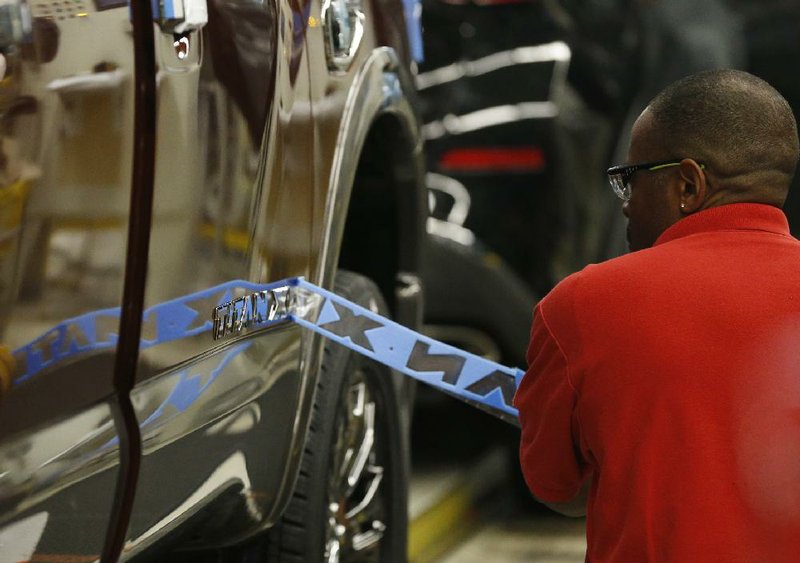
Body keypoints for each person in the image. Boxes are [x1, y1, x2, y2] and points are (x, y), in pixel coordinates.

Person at [513, 69, 800, 562]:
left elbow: (555, 487)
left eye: (630, 179)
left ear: (688, 183)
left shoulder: (581, 305)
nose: (624, 206)